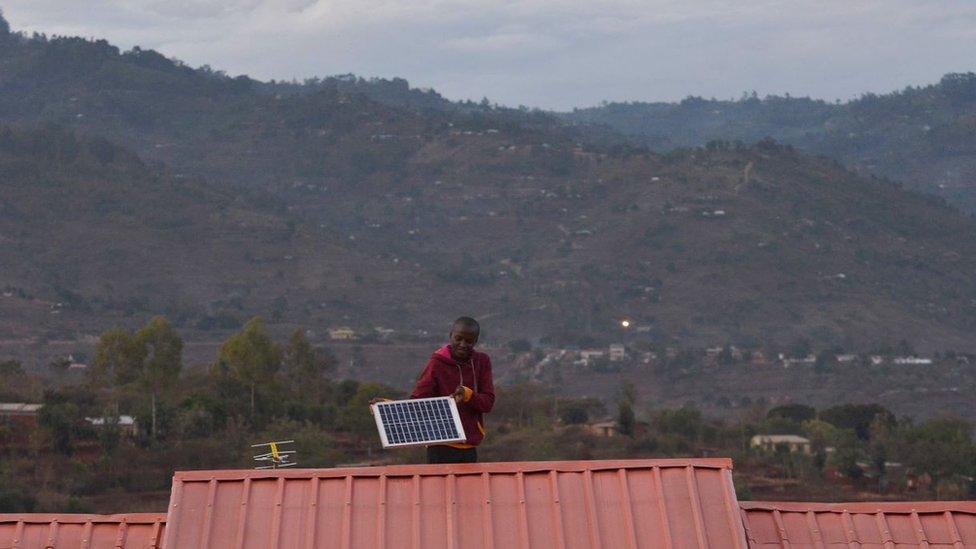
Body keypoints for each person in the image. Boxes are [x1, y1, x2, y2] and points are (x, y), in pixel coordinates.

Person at [411, 316, 494, 463]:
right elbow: (418, 400)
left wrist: (469, 395)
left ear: (475, 341)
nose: (463, 344)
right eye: (458, 338)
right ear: (451, 336)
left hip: (468, 445)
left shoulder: (482, 362)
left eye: (469, 341)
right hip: (439, 445)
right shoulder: (436, 363)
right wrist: (386, 407)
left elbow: (488, 403)